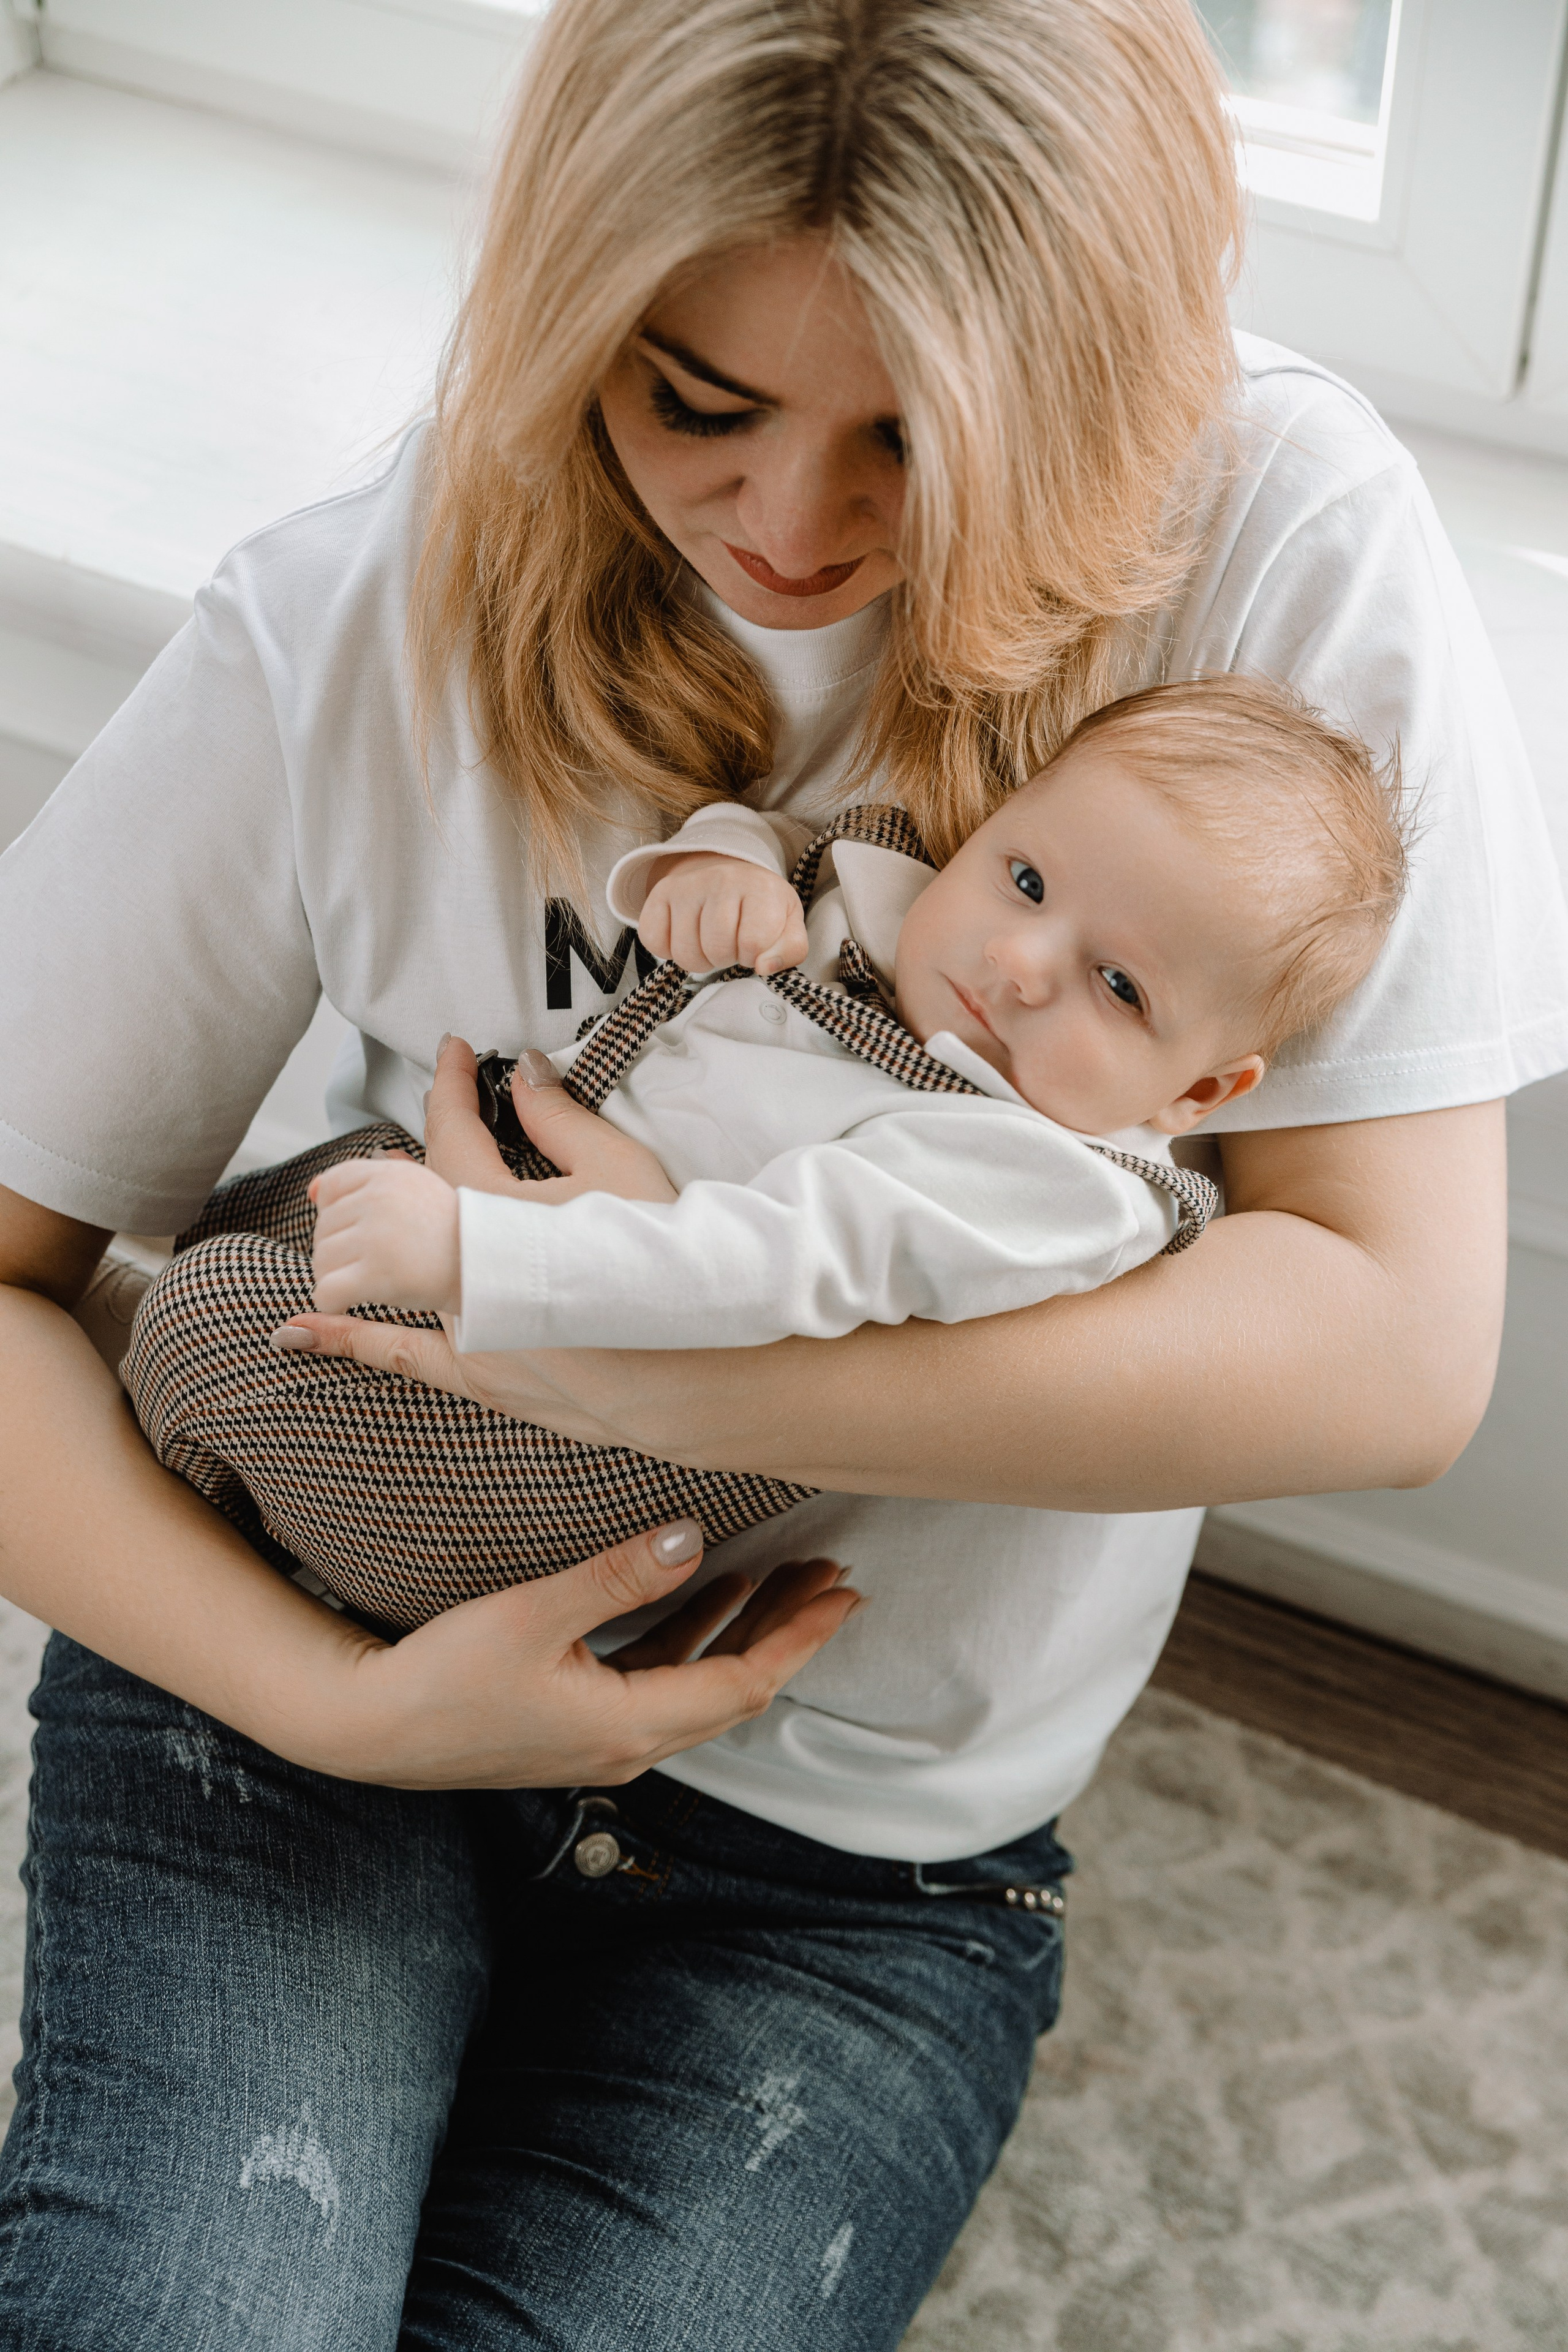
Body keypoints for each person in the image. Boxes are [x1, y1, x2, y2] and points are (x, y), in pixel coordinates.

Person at [0, 0, 1561, 2342]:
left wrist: (626, 1363)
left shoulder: (1272, 543)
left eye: (915, 439)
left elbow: (1390, 1348)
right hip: (300, 1656)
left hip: (853, 1859)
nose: (792, 532)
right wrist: (345, 1710)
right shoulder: (355, 607)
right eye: (692, 404)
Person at [123, 675, 1405, 1634]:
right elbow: (800, 841)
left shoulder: (1044, 1182)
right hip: (508, 1230)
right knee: (259, 1231)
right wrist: (723, 861)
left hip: (590, 1432)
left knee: (212, 1327)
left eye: (1115, 984)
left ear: (1194, 1089)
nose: (1019, 968)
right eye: (1023, 881)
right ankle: (208, 1449)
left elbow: (770, 1264)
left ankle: (243, 1482)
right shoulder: (905, 909)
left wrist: (481, 1253)